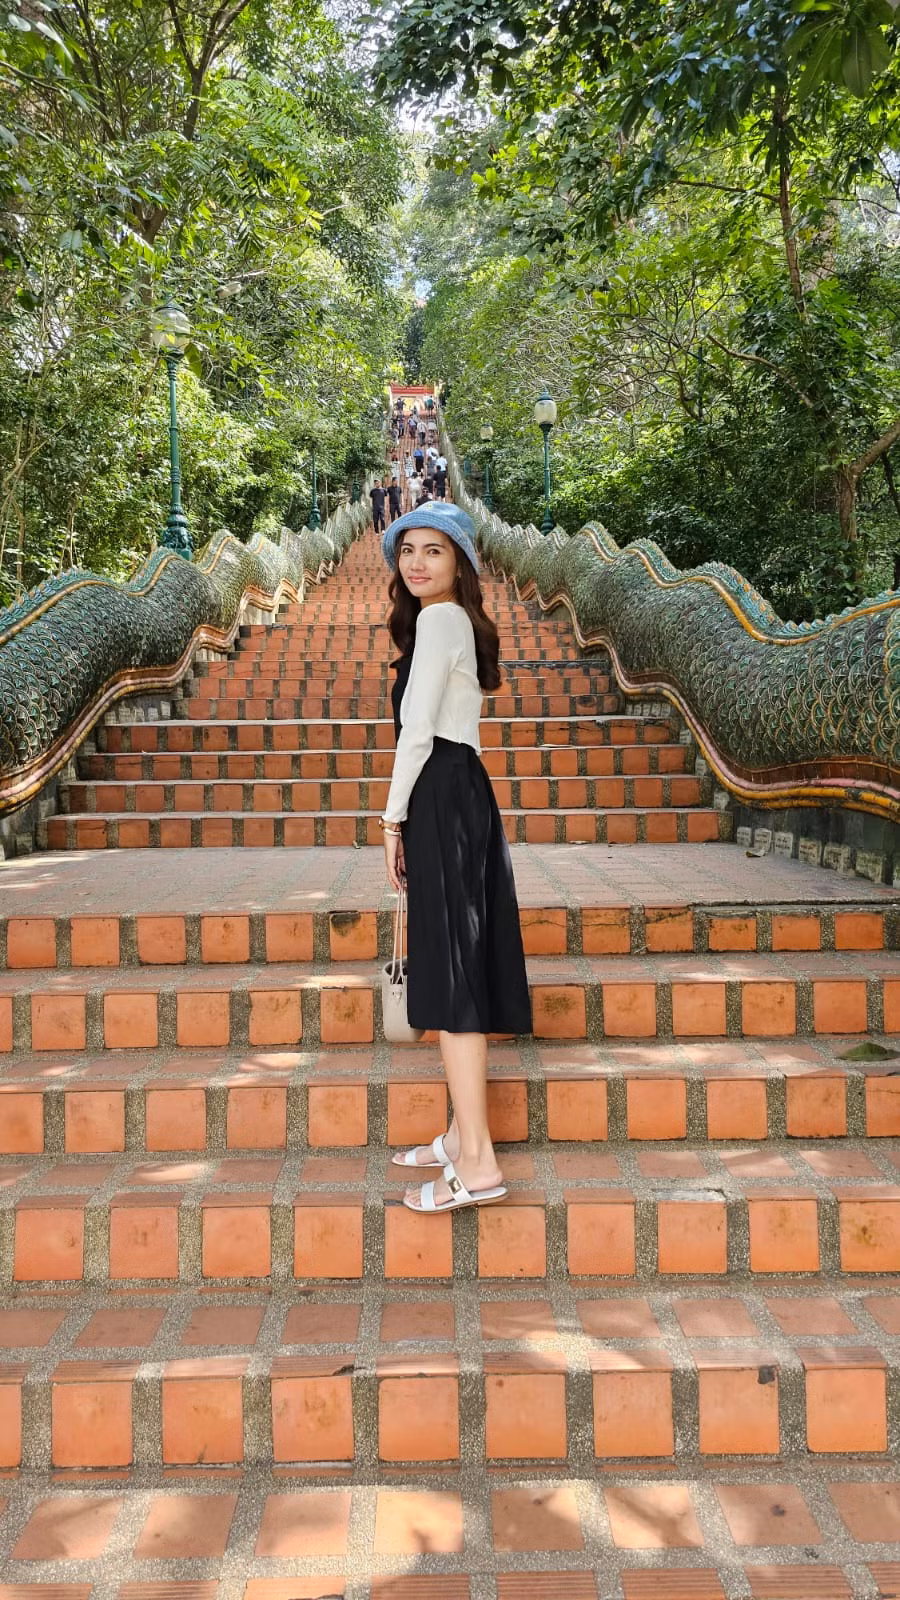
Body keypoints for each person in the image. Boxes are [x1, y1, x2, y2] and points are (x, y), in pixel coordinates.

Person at [380, 502, 532, 1212]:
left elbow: (417, 729)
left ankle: (478, 1163)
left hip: (442, 791)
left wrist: (390, 819)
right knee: (456, 967)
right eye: (408, 549)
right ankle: (456, 1138)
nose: (417, 562)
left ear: (460, 563)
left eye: (434, 550)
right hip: (458, 789)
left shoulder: (441, 620)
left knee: (454, 976)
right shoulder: (448, 622)